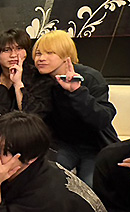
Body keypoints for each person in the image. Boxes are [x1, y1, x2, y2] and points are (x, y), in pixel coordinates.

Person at [34, 30, 119, 186]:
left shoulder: (90, 77)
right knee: (47, 179)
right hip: (62, 145)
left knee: (90, 186)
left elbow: (102, 119)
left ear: (65, 55)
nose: (41, 58)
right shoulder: (40, 81)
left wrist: (77, 92)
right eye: (38, 53)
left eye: (49, 53)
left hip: (94, 146)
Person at [0, 28, 53, 123]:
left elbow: (34, 116)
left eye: (19, 48)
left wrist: (18, 84)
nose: (13, 55)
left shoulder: (39, 78)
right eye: (6, 50)